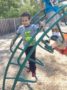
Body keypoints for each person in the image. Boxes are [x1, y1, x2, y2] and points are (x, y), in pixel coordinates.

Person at [11, 12, 39, 77]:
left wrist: (42, 24)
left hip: (32, 46)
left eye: (26, 20)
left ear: (29, 20)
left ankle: (33, 71)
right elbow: (17, 34)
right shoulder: (21, 28)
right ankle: (30, 67)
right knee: (28, 58)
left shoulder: (33, 26)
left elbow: (39, 27)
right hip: (26, 46)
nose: (24, 22)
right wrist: (13, 40)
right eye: (23, 21)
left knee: (32, 58)